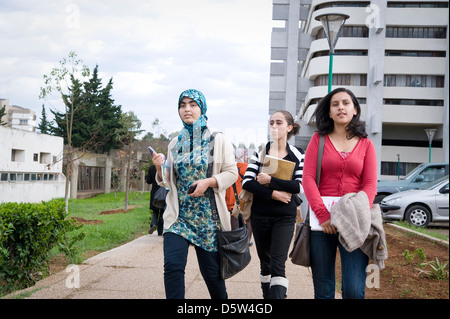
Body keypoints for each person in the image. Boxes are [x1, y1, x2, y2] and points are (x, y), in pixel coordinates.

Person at [152, 89, 237, 299]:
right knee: (172, 267)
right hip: (178, 217)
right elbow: (168, 182)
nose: (187, 109)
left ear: (202, 108)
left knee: (213, 277)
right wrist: (158, 168)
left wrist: (208, 182)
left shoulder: (217, 139)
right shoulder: (175, 142)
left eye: (193, 104)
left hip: (207, 219)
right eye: (183, 105)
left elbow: (232, 173)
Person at [302, 87, 378, 299]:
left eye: (346, 103)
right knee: (324, 290)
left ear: (355, 109)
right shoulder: (318, 140)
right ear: (329, 111)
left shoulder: (366, 144)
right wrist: (323, 215)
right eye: (335, 104)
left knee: (354, 290)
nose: (340, 107)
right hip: (322, 223)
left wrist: (357, 212)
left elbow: (370, 184)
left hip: (355, 220)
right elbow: (307, 178)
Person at [242, 110, 304, 299]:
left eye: (279, 123)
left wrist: (269, 180)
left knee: (278, 264)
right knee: (265, 264)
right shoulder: (260, 152)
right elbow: (247, 182)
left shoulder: (298, 154)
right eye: (271, 123)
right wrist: (274, 193)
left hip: (285, 217)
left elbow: (298, 186)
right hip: (260, 216)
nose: (274, 127)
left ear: (289, 128)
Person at [225, 148, 252, 243]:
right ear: (244, 157)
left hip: (229, 201)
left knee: (233, 221)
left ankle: (233, 241)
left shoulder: (228, 168)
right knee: (247, 220)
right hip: (243, 201)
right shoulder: (246, 168)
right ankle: (246, 241)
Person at [146, 165, 164, 235]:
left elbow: (148, 181)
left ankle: (153, 223)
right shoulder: (165, 167)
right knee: (162, 211)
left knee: (155, 211)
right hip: (164, 192)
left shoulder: (152, 168)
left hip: (155, 193)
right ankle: (160, 231)